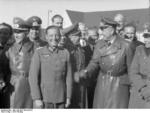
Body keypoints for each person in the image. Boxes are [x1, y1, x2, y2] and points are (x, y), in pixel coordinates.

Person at [76, 17, 133, 108]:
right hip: (102, 83)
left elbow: (131, 70)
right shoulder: (99, 44)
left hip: (119, 86)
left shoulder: (126, 45)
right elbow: (94, 62)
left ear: (112, 30)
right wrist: (86, 71)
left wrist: (132, 88)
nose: (100, 32)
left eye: (103, 29)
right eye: (100, 29)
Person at [29, 26, 72, 109]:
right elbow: (33, 77)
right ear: (46, 37)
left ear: (60, 37)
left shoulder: (65, 53)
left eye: (56, 35)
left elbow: (69, 77)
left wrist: (68, 97)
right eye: (51, 35)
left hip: (61, 98)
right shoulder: (39, 52)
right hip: (44, 98)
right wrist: (36, 98)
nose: (54, 38)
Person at [4, 17, 33, 108]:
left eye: (19, 32)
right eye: (15, 32)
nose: (16, 35)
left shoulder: (36, 49)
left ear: (27, 32)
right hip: (13, 86)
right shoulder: (9, 49)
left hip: (29, 86)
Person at [129, 29, 150, 108]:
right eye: (145, 37)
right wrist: (142, 88)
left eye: (149, 37)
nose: (147, 40)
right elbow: (133, 71)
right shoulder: (140, 49)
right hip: (138, 89)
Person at [66, 29, 87, 108]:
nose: (79, 38)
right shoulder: (67, 49)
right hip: (71, 83)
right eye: (77, 36)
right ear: (70, 37)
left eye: (79, 36)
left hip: (80, 82)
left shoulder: (80, 48)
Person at [0, 23, 13, 108]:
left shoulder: (14, 49)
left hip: (9, 88)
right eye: (0, 32)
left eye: (6, 32)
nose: (2, 35)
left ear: (10, 35)